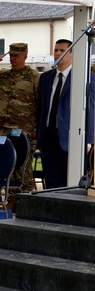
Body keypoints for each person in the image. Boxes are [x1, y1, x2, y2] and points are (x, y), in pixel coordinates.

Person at [0, 42, 40, 199]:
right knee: (6, 163)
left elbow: (41, 103)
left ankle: (26, 198)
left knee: (23, 165)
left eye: (16, 56)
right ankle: (11, 198)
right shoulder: (3, 75)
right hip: (3, 127)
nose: (13, 59)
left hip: (24, 128)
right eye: (11, 55)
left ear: (25, 56)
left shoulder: (34, 77)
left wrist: (36, 128)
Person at [36, 39, 95, 189]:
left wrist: (88, 141)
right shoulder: (45, 78)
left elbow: (91, 109)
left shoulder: (84, 77)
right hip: (49, 139)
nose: (57, 54)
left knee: (71, 185)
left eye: (62, 51)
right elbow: (41, 109)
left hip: (72, 139)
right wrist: (40, 137)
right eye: (55, 50)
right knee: (51, 185)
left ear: (72, 53)